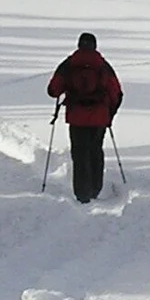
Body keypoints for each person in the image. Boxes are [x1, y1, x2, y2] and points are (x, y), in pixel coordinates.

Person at [46, 32, 124, 203]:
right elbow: (117, 92)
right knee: (95, 151)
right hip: (99, 118)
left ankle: (82, 194)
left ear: (79, 45)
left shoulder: (69, 64)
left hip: (76, 117)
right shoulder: (103, 65)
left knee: (80, 154)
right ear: (95, 46)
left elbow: (53, 90)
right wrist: (109, 114)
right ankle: (95, 189)